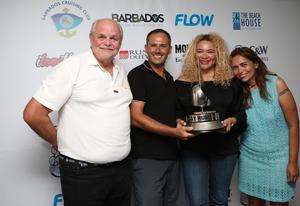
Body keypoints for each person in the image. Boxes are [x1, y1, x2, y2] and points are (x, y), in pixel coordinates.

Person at [23, 18, 133, 206]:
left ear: (120, 43)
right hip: (83, 174)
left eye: (114, 38)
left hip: (121, 171)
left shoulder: (120, 69)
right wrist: (57, 139)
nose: (108, 42)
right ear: (91, 38)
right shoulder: (72, 67)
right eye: (101, 36)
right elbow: (33, 114)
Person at [175, 33, 247, 206]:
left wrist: (233, 120)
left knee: (220, 199)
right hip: (193, 149)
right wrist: (177, 122)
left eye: (210, 51)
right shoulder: (182, 82)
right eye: (200, 51)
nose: (205, 56)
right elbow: (176, 112)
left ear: (218, 54)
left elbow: (241, 113)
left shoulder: (231, 82)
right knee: (197, 201)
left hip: (224, 148)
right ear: (194, 54)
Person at [127, 29, 193, 206]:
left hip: (172, 156)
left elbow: (166, 112)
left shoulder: (169, 78)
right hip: (147, 158)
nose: (158, 50)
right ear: (146, 48)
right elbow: (135, 117)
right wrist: (174, 132)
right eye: (153, 45)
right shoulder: (137, 75)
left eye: (162, 46)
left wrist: (178, 122)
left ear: (170, 49)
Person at [230, 46, 299, 206]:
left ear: (255, 64)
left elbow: (294, 125)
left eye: (244, 64)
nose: (240, 71)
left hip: (279, 160)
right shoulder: (238, 91)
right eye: (235, 67)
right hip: (250, 158)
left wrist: (293, 162)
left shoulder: (277, 84)